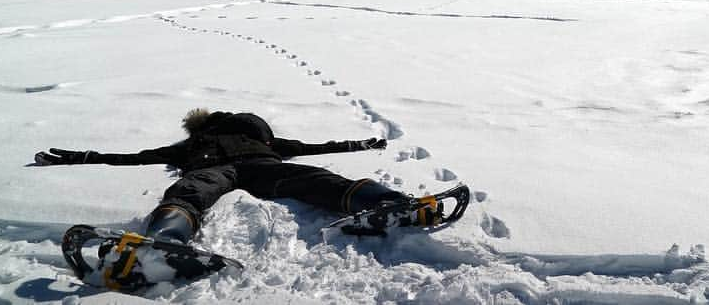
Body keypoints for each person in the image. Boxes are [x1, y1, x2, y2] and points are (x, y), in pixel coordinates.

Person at [34, 108, 431, 245]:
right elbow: (137, 157)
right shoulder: (195, 146)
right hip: (230, 170)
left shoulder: (207, 143)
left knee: (314, 177)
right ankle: (165, 239)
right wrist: (84, 157)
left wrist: (357, 145)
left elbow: (314, 147)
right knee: (189, 190)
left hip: (256, 169)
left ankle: (387, 203)